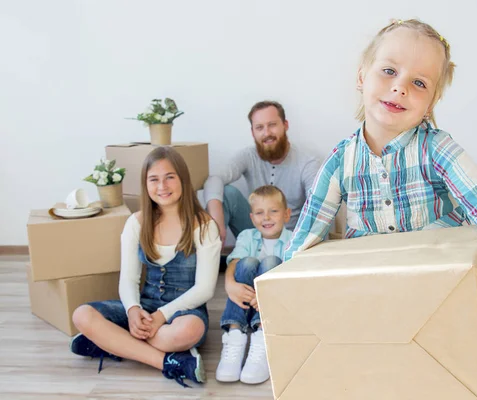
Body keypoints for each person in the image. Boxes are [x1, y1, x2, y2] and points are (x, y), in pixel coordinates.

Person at [284, 19, 477, 393]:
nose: (400, 86)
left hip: (442, 305)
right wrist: (281, 297)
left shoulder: (439, 151)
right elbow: (305, 236)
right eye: (388, 70)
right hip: (372, 307)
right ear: (361, 76)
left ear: (431, 101)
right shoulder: (340, 160)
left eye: (419, 82)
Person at [70, 146, 221, 388]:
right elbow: (128, 279)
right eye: (154, 179)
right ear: (145, 184)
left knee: (189, 331)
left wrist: (162, 316)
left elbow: (204, 289)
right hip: (145, 306)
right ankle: (169, 362)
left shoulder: (203, 225)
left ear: (183, 179)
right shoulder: (136, 223)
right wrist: (132, 310)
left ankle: (113, 342)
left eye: (170, 177)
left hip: (184, 311)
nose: (162, 186)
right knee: (82, 315)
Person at [202, 100, 320, 247]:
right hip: (255, 235)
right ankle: (210, 262)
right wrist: (216, 220)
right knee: (227, 193)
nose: (267, 133)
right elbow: (215, 178)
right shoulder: (248, 155)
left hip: (291, 239)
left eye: (272, 125)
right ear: (253, 132)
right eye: (259, 127)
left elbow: (319, 207)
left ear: (285, 125)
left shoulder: (307, 162)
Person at [215, 185, 292, 384]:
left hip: (272, 307)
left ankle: (262, 336)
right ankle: (234, 335)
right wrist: (230, 285)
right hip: (245, 303)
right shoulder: (246, 236)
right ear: (252, 218)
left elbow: (292, 281)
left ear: (286, 214)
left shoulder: (293, 241)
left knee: (271, 262)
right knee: (247, 262)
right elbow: (233, 262)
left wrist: (266, 297)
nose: (266, 218)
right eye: (259, 213)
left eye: (273, 211)